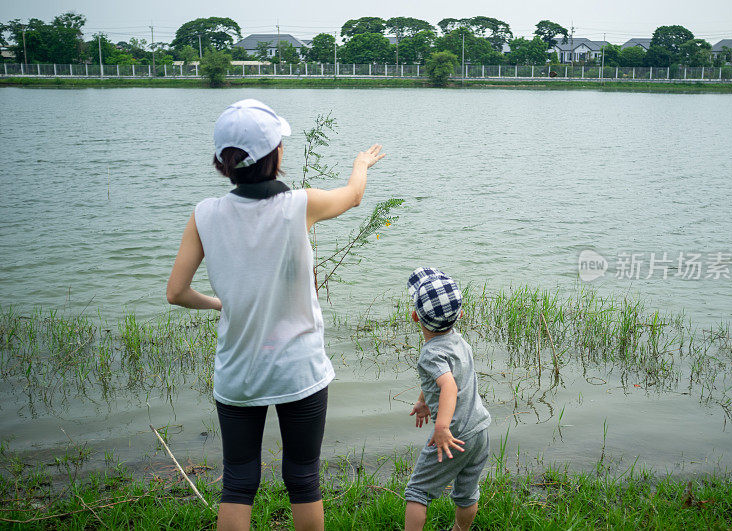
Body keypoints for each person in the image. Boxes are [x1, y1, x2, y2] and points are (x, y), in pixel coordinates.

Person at [166, 98, 385, 531]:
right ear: (276, 156)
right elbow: (355, 196)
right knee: (303, 479)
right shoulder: (298, 205)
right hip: (297, 370)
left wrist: (218, 304)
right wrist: (361, 163)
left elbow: (176, 292)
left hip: (238, 371)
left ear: (222, 162)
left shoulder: (205, 214)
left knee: (238, 482)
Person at [404, 267, 492, 531]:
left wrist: (441, 428)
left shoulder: (430, 353)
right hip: (479, 430)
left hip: (453, 435)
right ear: (460, 316)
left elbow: (449, 387)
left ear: (414, 317)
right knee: (467, 492)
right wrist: (423, 400)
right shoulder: (460, 342)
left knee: (417, 492)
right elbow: (442, 380)